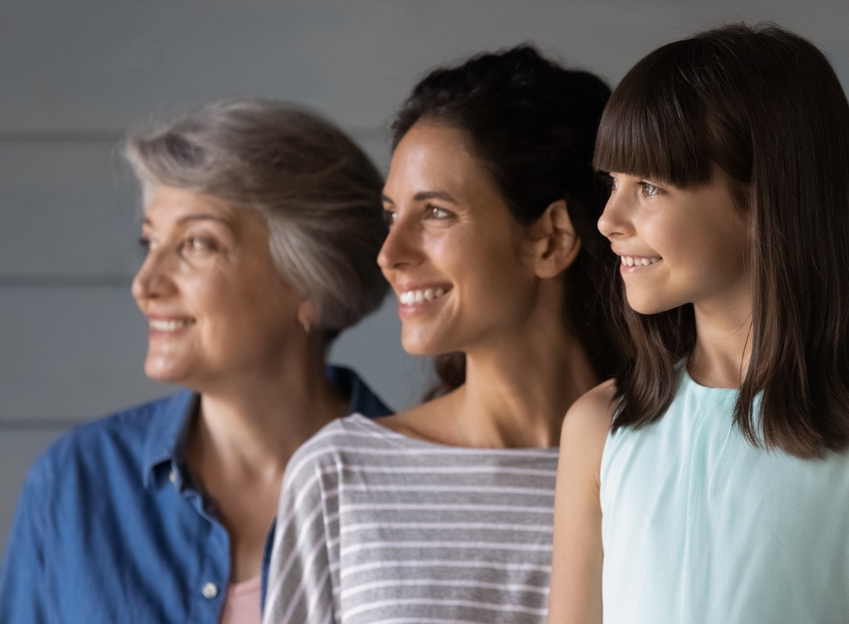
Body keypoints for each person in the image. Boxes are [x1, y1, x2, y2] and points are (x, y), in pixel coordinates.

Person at [548, 23, 849, 624]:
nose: (609, 220)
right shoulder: (598, 429)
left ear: (766, 197)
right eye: (612, 183)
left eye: (649, 186)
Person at [263, 47, 621, 624]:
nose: (390, 254)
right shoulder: (341, 475)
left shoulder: (668, 466)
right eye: (391, 215)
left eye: (434, 213)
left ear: (550, 239)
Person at [0, 100, 394, 624]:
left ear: (311, 281)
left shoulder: (420, 488)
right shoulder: (74, 483)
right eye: (150, 242)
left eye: (197, 244)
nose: (145, 285)